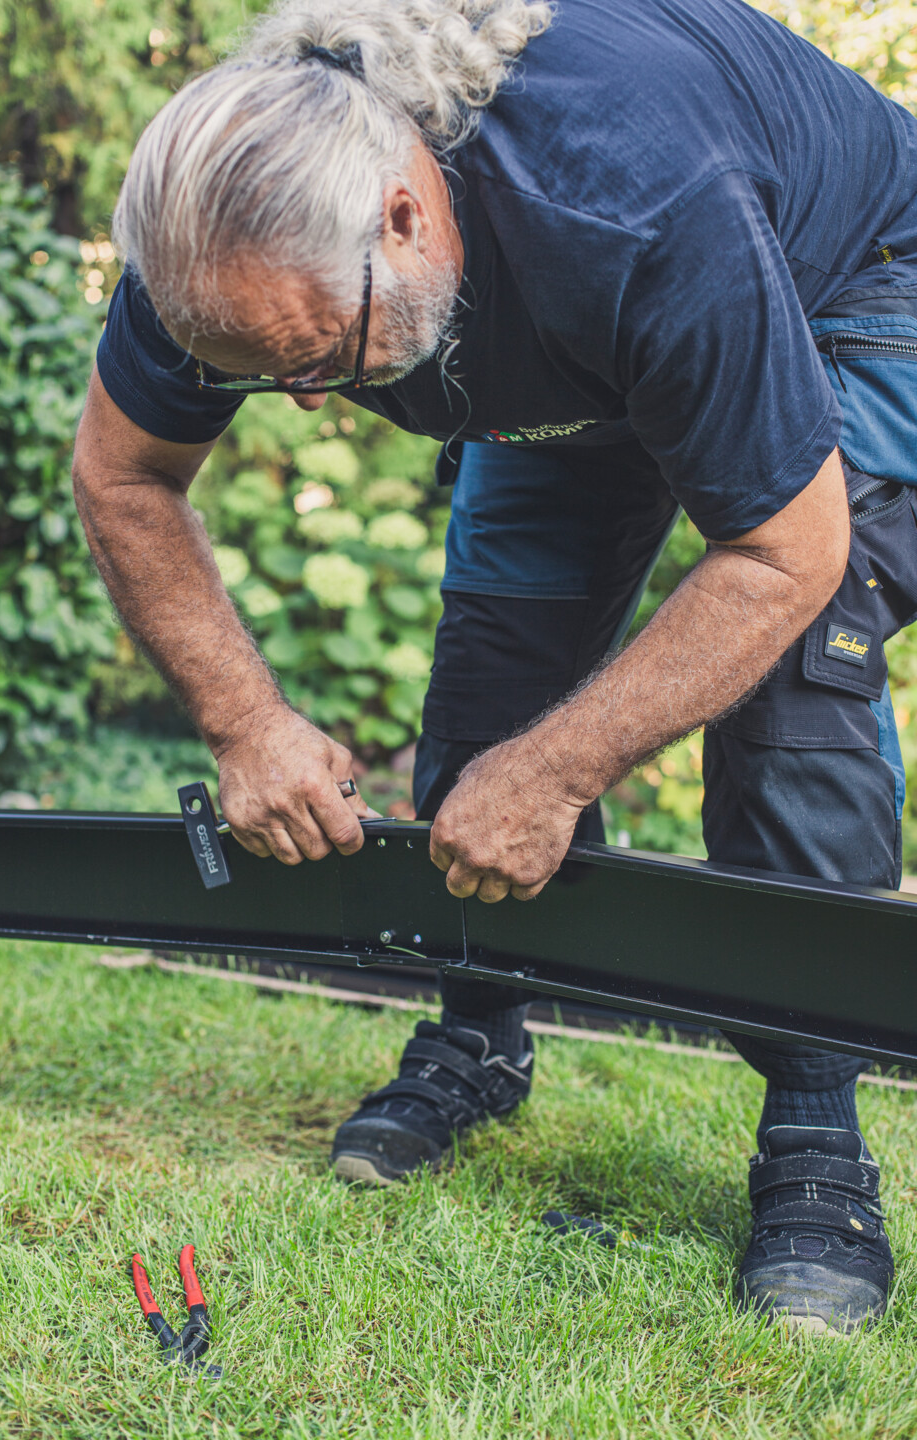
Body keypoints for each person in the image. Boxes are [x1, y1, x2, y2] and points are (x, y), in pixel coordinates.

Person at [71, 0, 917, 1334]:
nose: (303, 403)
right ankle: (477, 1031)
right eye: (258, 370)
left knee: (794, 681)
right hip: (569, 334)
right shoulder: (225, 231)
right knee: (492, 697)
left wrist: (569, 769)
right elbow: (123, 473)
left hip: (850, 281)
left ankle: (816, 1125)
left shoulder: (632, 196)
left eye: (317, 361)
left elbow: (781, 553)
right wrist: (244, 721)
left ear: (405, 213)